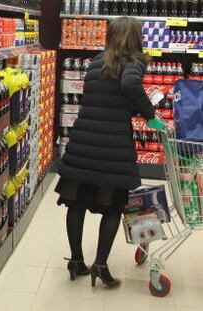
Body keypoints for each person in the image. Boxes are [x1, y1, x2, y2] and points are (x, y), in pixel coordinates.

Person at [55, 16, 164, 288]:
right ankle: (100, 265)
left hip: (82, 143)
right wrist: (149, 114)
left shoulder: (95, 62)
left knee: (76, 203)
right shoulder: (133, 62)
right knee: (112, 207)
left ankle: (77, 260)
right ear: (135, 37)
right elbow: (128, 85)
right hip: (112, 148)